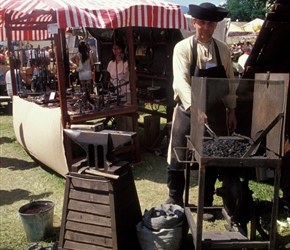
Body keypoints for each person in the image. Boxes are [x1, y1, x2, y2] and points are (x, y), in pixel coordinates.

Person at [166, 2, 237, 220]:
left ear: (216, 25)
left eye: (211, 23)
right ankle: (175, 199)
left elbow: (230, 82)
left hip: (214, 112)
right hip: (188, 110)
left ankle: (205, 204)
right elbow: (180, 82)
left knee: (212, 156)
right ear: (195, 22)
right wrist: (195, 107)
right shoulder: (183, 48)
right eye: (202, 22)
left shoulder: (223, 49)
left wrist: (232, 109)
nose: (206, 27)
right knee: (177, 154)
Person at [106, 41, 132, 131]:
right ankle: (123, 138)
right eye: (113, 48)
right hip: (116, 93)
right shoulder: (111, 63)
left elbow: (130, 76)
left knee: (128, 117)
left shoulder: (126, 63)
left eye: (117, 48)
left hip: (126, 91)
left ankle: (131, 138)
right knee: (119, 117)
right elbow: (110, 77)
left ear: (121, 50)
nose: (114, 50)